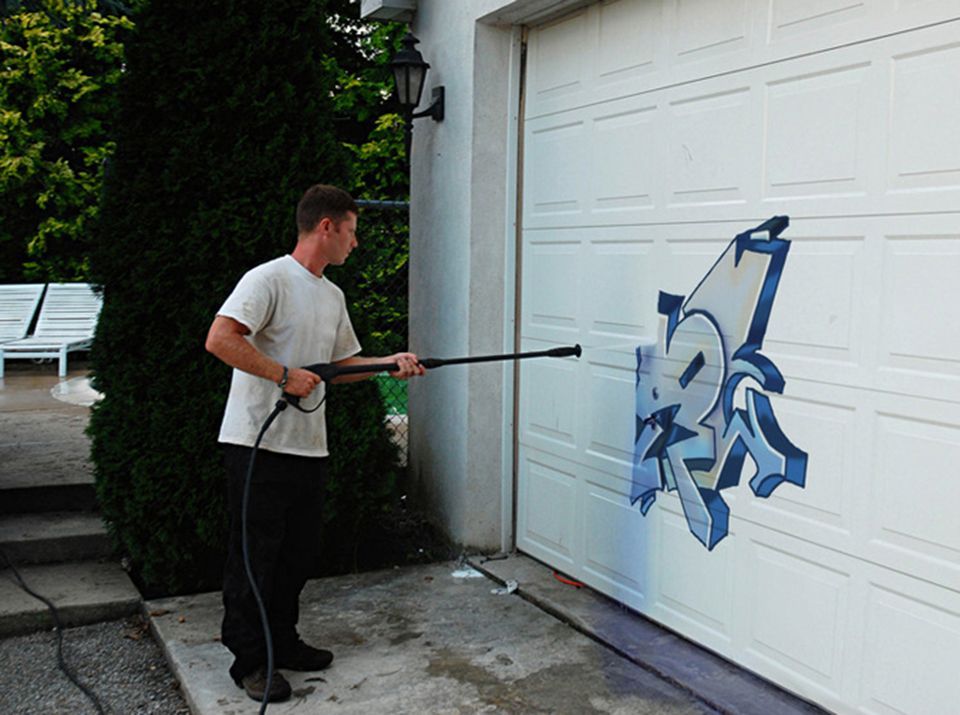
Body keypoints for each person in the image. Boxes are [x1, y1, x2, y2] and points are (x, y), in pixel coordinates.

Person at [205, 184, 424, 703]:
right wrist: (283, 374)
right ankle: (251, 662)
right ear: (326, 226)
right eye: (352, 231)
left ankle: (283, 641)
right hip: (257, 444)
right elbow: (220, 338)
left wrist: (388, 363)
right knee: (255, 556)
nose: (356, 243)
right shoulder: (268, 279)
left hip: (308, 448)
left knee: (297, 555)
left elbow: (339, 367)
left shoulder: (331, 295)